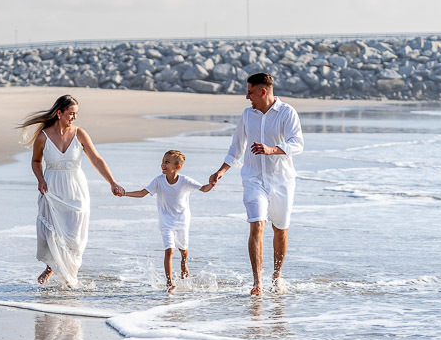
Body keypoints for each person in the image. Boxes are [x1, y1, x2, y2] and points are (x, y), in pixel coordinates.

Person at [209, 73, 304, 295]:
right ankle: (257, 282)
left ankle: (276, 276)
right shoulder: (247, 115)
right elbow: (236, 148)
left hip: (282, 180)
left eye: (250, 92)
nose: (247, 97)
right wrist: (221, 171)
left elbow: (297, 144)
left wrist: (271, 149)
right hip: (253, 179)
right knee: (257, 225)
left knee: (280, 229)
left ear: (263, 91)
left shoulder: (287, 112)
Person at [20, 95, 125, 288]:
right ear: (59, 113)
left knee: (75, 237)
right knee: (52, 232)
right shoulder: (43, 136)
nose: (74, 117)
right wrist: (40, 179)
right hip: (52, 188)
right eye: (71, 113)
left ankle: (71, 275)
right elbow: (36, 161)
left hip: (76, 189)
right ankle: (51, 268)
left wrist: (112, 182)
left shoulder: (80, 134)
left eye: (76, 114)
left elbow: (97, 159)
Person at [121, 150, 214, 292]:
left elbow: (204, 189)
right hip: (166, 222)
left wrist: (212, 183)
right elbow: (142, 193)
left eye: (167, 162)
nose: (163, 164)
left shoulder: (185, 180)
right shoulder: (158, 181)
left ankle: (184, 264)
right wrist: (125, 193)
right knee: (169, 250)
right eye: (163, 161)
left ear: (177, 167)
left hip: (182, 221)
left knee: (183, 250)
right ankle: (169, 283)